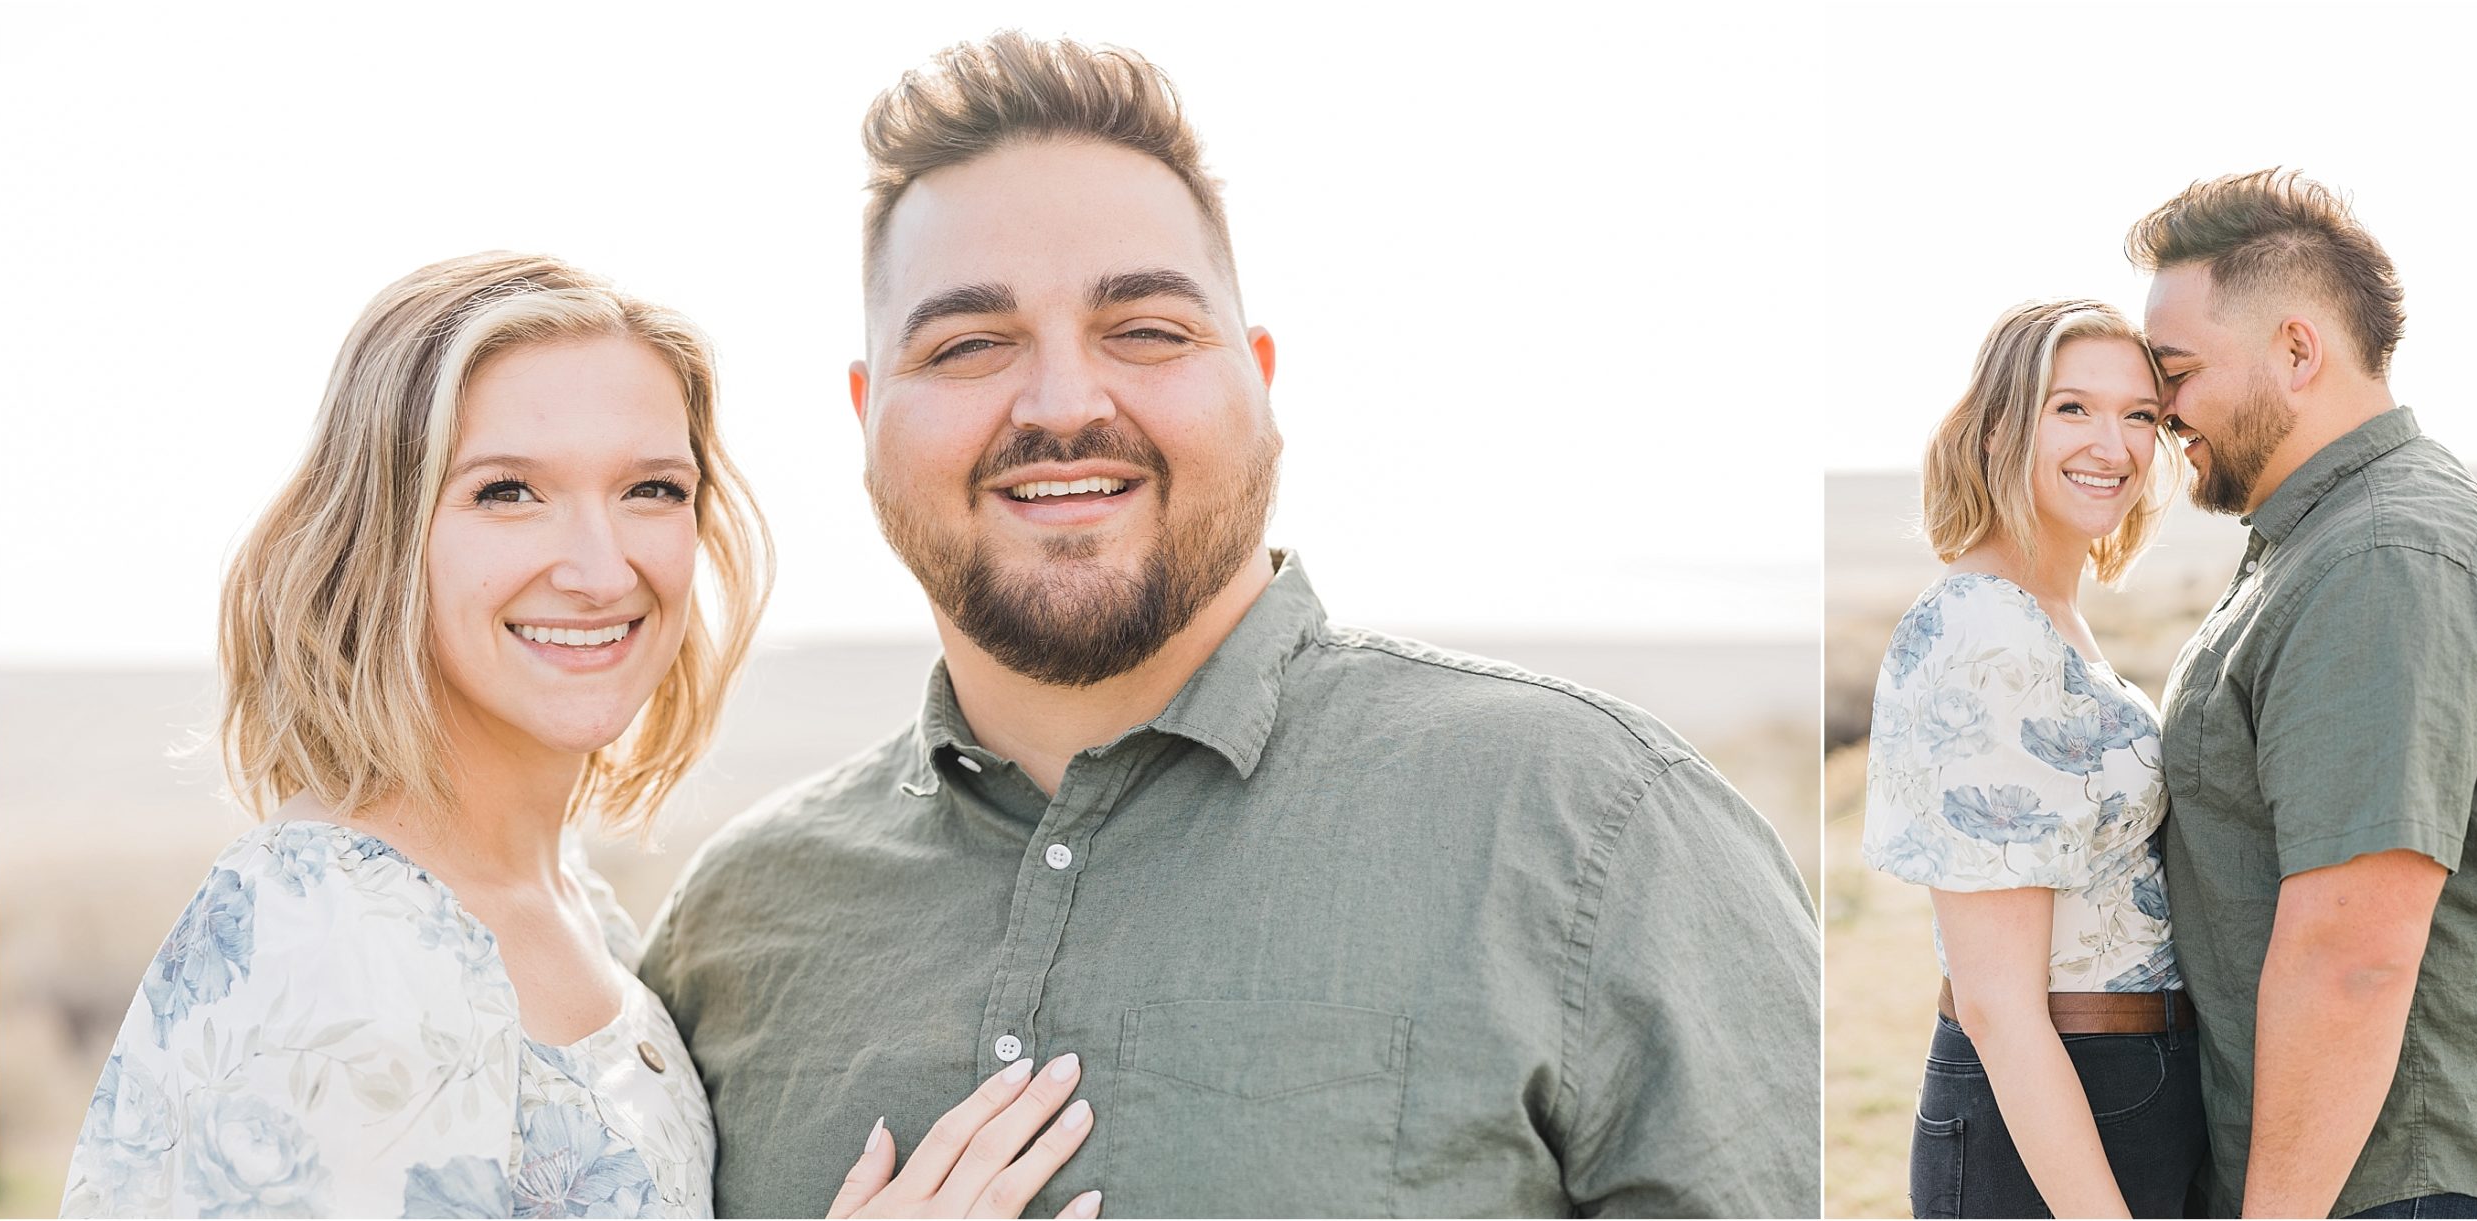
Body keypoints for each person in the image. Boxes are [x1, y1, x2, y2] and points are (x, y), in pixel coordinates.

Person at [637, 31, 1823, 1219]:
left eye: (1146, 330)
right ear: (866, 413)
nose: (1061, 404)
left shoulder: (1594, 830)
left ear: (1255, 380)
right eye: (967, 345)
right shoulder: (734, 927)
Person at [60, 253, 1101, 1219]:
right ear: (378, 532)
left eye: (652, 489)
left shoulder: (569, 910)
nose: (601, 571)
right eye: (507, 492)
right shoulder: (332, 951)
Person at [2131, 170, 2477, 1219]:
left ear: (2297, 350)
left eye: (2175, 373)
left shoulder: (2384, 558)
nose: (2158, 410)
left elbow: (2352, 955)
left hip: (2404, 1184)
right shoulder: (2314, 538)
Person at [1862, 298, 2205, 1218]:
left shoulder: (2050, 615)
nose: (2116, 443)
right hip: (2058, 1098)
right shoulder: (1984, 629)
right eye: (2072, 408)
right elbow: (1999, 1006)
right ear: (1999, 428)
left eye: (2141, 414)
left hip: (2124, 1083)